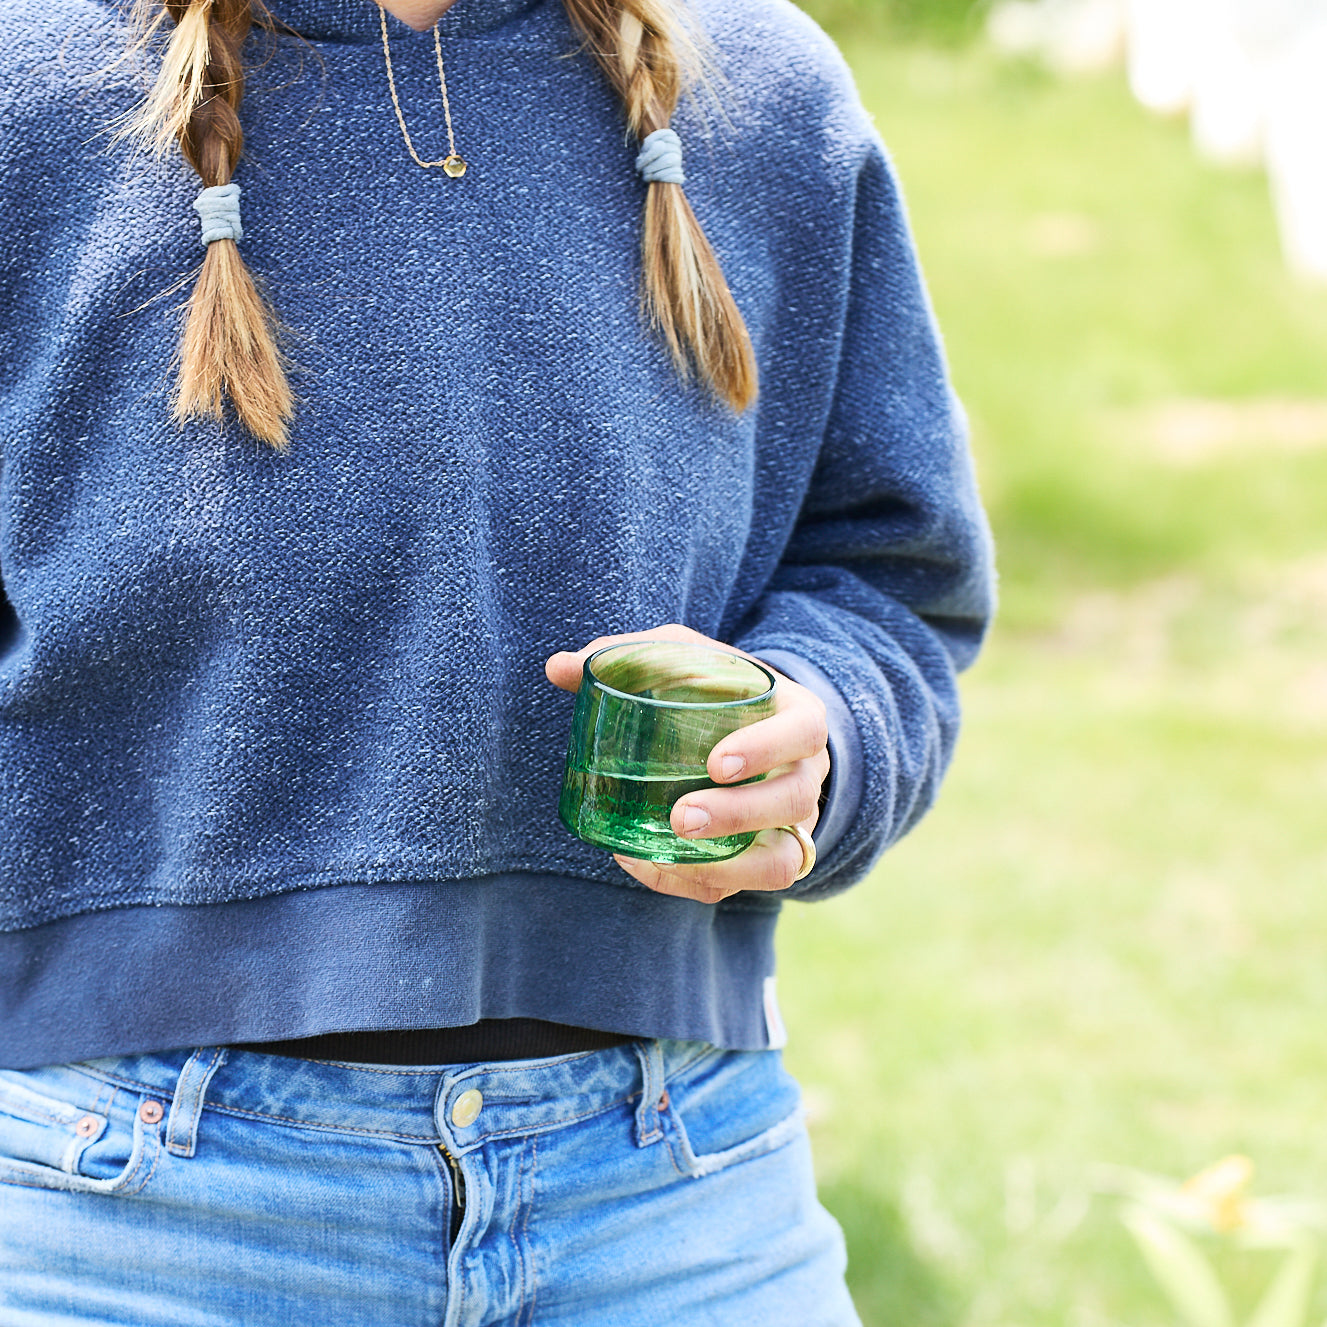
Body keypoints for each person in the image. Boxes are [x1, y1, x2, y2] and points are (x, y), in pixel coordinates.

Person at [0, 0, 994, 1320]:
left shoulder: (766, 91)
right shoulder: (34, 86)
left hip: (676, 1186)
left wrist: (820, 726)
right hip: (121, 1205)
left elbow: (889, 573)